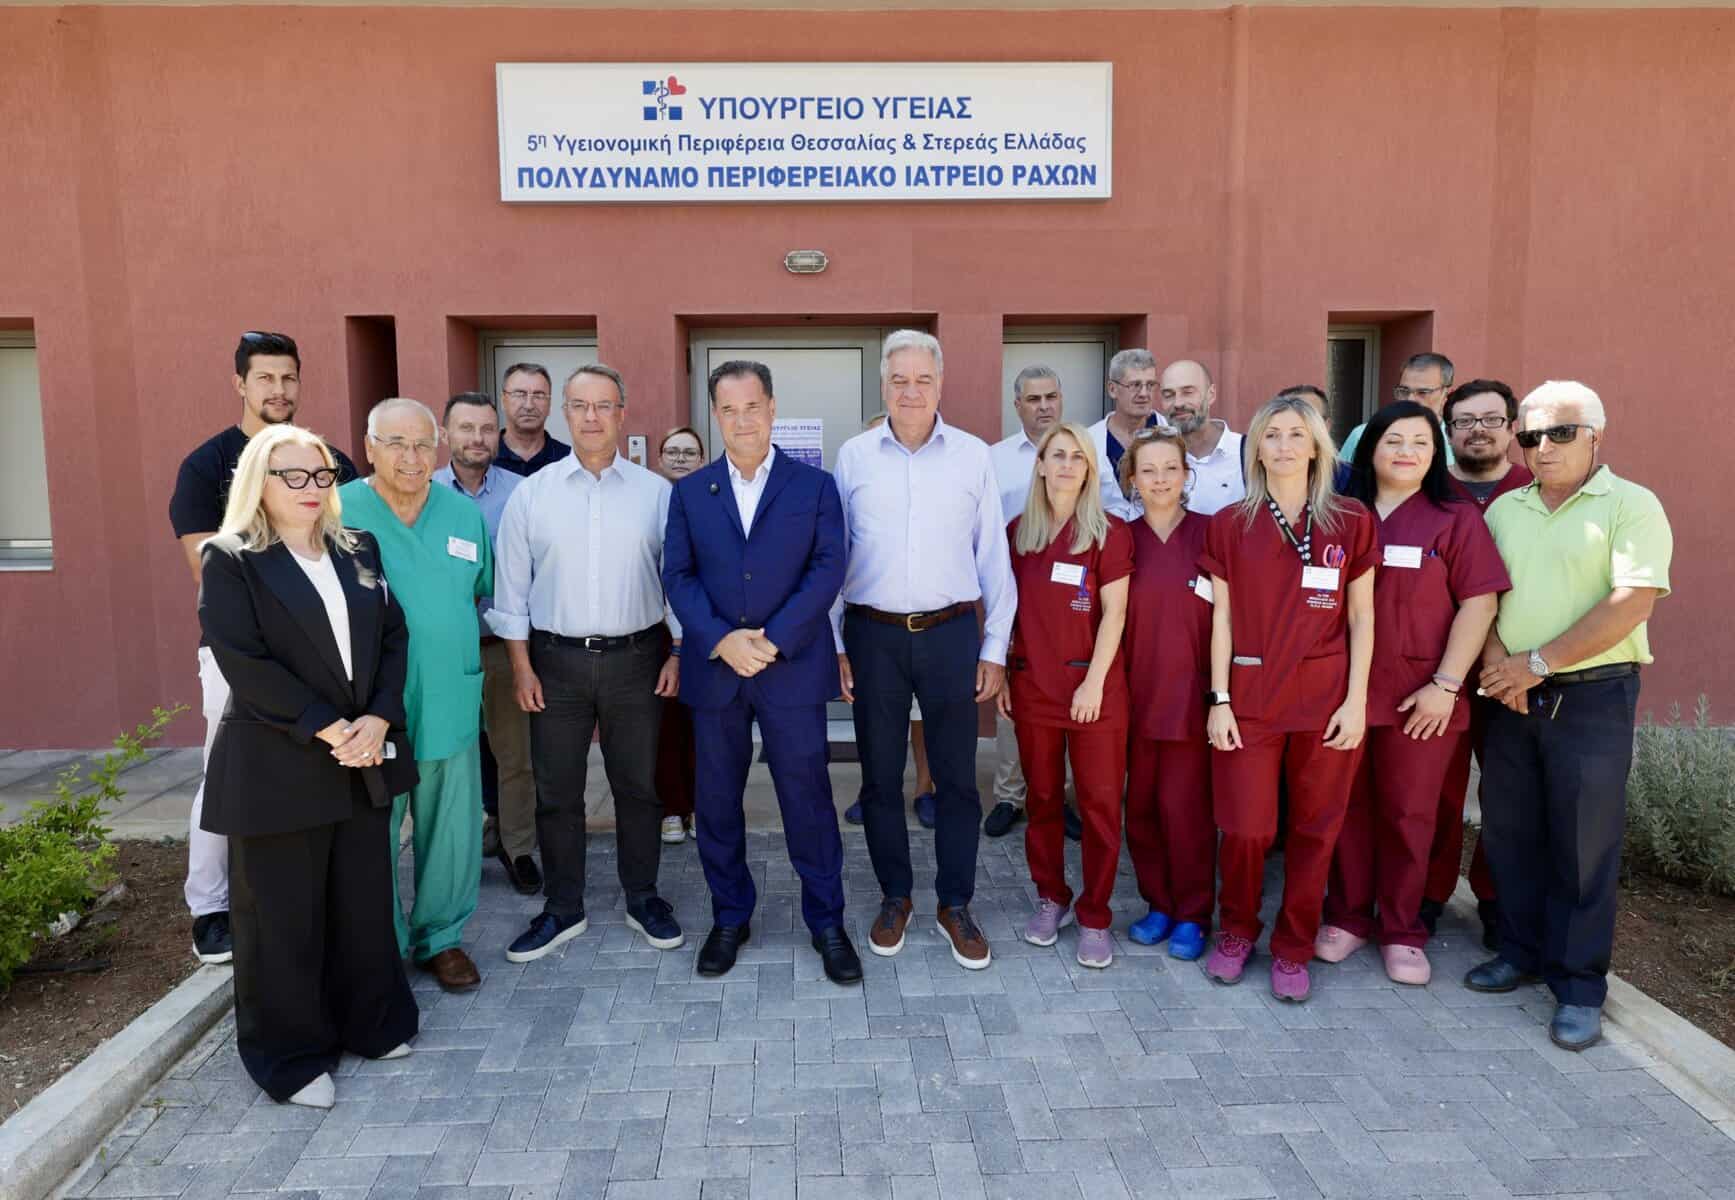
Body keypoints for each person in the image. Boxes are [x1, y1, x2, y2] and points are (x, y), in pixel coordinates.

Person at [196, 424, 418, 1109]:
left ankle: (372, 1024)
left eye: (320, 475)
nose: (310, 488)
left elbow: (393, 637)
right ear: (258, 483)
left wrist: (378, 718)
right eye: (292, 476)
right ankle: (290, 1059)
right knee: (281, 920)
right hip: (279, 762)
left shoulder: (358, 547)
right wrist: (330, 727)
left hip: (361, 755)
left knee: (362, 904)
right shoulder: (231, 558)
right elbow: (245, 661)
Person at [1467, 381, 1672, 1052]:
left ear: (1595, 437)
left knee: (1584, 847)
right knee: (1511, 833)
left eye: (1560, 433)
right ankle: (1520, 952)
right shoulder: (1507, 509)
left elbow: (1630, 602)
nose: (1543, 448)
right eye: (1530, 437)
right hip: (1509, 695)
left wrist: (1536, 663)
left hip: (1590, 698)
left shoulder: (1631, 505)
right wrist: (1500, 669)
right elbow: (1482, 597)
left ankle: (1579, 986)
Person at [663, 361, 859, 983]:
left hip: (790, 668)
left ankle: (827, 921)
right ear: (715, 415)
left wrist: (770, 641)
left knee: (808, 800)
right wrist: (722, 640)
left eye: (752, 407)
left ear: (772, 408)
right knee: (717, 802)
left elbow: (828, 569)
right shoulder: (690, 492)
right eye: (729, 409)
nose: (742, 420)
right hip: (717, 670)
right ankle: (730, 916)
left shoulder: (815, 487)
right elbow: (678, 576)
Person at [168, 331, 358, 965]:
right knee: (226, 771)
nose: (279, 389)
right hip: (241, 657)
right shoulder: (207, 466)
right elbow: (207, 572)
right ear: (240, 385)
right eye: (266, 378)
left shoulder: (329, 461)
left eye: (289, 378)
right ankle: (211, 905)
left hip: (326, 653)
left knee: (315, 768)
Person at [490, 364, 685, 962]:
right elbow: (511, 590)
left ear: (622, 414)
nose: (592, 417)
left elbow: (677, 581)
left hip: (638, 660)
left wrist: (678, 650)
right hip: (554, 663)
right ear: (566, 414)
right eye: (580, 406)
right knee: (556, 792)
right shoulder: (533, 494)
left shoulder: (656, 493)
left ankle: (643, 897)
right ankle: (563, 906)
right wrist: (521, 666)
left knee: (638, 787)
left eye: (604, 405)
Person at [833, 330, 1014, 971]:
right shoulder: (854, 457)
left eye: (923, 379)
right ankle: (896, 896)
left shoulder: (972, 456)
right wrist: (838, 644)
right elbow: (835, 555)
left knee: (958, 779)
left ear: (941, 384)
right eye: (899, 380)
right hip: (873, 635)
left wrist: (995, 646)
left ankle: (955, 903)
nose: (911, 391)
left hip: (951, 634)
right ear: (883, 384)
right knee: (880, 778)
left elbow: (993, 556)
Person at [1317, 402, 1508, 985]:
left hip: (1420, 699)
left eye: (1421, 443)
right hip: (1341, 693)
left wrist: (1446, 685)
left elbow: (1479, 603)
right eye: (1394, 440)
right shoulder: (1338, 515)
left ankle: (1402, 929)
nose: (1407, 452)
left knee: (1410, 813)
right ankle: (1348, 916)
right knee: (1346, 809)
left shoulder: (1455, 519)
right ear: (1369, 449)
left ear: (1436, 455)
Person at [1201, 394, 1377, 1002]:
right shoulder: (1230, 524)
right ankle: (1236, 930)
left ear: (1317, 446)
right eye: (1271, 434)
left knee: (1315, 829)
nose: (1283, 445)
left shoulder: (1351, 520)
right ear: (1255, 448)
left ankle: (1293, 946)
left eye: (1296, 434)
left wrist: (1356, 701)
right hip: (1250, 697)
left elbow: (1362, 618)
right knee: (1246, 829)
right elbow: (1221, 618)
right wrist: (1218, 698)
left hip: (1326, 701)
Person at [340, 399, 493, 994]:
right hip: (368, 704)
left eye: (424, 444)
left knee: (451, 825)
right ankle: (380, 939)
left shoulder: (462, 514)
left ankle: (441, 938)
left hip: (449, 691)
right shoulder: (337, 510)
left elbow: (478, 589)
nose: (411, 457)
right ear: (369, 447)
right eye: (396, 443)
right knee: (373, 824)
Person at [1000, 423, 1131, 968]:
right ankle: (1051, 896)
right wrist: (1005, 672)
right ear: (1040, 465)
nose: (1067, 465)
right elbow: (1004, 611)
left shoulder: (1109, 533)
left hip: (1094, 690)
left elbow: (1115, 614)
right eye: (1058, 455)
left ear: (1090, 470)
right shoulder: (1018, 533)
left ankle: (1096, 915)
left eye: (1079, 457)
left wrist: (1094, 682)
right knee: (1043, 799)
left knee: (1099, 805)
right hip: (1034, 687)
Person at [1423, 380, 1533, 947]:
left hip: (1514, 669)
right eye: (1464, 422)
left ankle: (1494, 896)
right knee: (1437, 789)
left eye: (1491, 420)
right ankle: (1429, 892)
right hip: (1438, 667)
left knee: (1507, 790)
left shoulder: (1535, 490)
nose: (1478, 431)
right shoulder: (1429, 489)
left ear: (1512, 427)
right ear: (1449, 432)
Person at [1118, 426, 1215, 962]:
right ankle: (1158, 903)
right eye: (1148, 470)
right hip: (1134, 696)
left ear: (1186, 474)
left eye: (1170, 469)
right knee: (1142, 809)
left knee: (1187, 812)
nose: (1160, 479)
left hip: (1193, 698)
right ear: (1132, 479)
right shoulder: (1120, 539)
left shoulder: (1211, 534)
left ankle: (1193, 912)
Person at [432, 393, 534, 893]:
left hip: (503, 647)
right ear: (445, 434)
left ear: (500, 435)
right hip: (440, 654)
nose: (478, 438)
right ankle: (455, 854)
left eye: (487, 429)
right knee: (448, 758)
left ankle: (519, 849)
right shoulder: (422, 490)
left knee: (516, 757)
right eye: (466, 428)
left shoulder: (522, 492)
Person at [984, 367, 1082, 843]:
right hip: (1014, 588)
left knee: (1066, 692)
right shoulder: (995, 459)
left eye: (1051, 396)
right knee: (1013, 696)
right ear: (1017, 405)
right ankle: (1009, 795)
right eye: (1033, 398)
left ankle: (1059, 796)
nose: (1044, 406)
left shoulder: (1081, 451)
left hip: (1073, 594)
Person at [841, 412, 939, 831]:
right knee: (876, 719)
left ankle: (925, 789)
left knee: (922, 717)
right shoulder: (855, 484)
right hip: (872, 624)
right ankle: (875, 791)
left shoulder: (930, 491)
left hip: (928, 626)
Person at [653, 426, 706, 844]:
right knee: (666, 727)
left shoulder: (713, 500)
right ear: (660, 459)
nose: (680, 458)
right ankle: (672, 808)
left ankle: (704, 806)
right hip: (658, 635)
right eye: (673, 451)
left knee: (707, 728)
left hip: (706, 632)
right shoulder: (647, 501)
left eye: (689, 452)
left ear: (702, 460)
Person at [1158, 359, 1245, 515]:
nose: (1178, 403)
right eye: (1168, 395)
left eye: (1188, 392)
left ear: (1211, 394)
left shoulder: (1247, 454)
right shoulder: (1155, 458)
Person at [1339, 353, 1457, 466]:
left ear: (1446, 395)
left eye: (1423, 392)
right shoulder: (1361, 435)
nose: (1410, 399)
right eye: (1404, 391)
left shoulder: (1457, 442)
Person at [1087, 349, 1160, 518]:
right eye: (1135, 385)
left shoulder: (1172, 433)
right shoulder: (1089, 441)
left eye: (1150, 385)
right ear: (1112, 389)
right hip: (1107, 532)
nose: (1144, 393)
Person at [494, 362, 572, 476]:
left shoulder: (569, 460)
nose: (529, 405)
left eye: (539, 395)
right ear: (503, 401)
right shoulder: (484, 457)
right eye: (520, 394)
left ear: (549, 404)